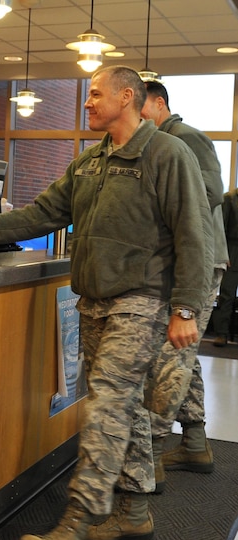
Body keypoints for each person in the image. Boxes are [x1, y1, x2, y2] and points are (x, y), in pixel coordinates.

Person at [0, 65, 213, 540]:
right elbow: (43, 213)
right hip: (94, 301)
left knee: (107, 403)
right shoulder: (90, 163)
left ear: (127, 97)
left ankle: (75, 526)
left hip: (143, 301)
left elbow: (193, 234)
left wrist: (185, 309)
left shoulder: (168, 154)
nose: (86, 104)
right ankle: (133, 512)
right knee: (123, 409)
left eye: (95, 95)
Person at [139, 80, 227, 496]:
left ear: (159, 104)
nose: (136, 118)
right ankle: (194, 443)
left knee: (172, 355)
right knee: (183, 355)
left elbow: (210, 193)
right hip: (181, 260)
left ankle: (151, 452)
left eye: (141, 109)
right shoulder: (158, 141)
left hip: (200, 262)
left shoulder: (185, 138)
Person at [211, 188, 238, 347]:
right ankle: (221, 334)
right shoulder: (229, 199)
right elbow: (221, 229)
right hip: (232, 249)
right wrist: (223, 253)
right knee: (227, 294)